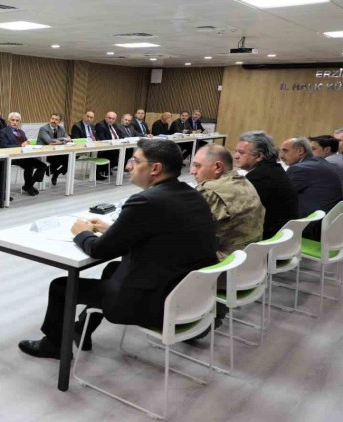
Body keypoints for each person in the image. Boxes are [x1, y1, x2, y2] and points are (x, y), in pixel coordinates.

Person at [18, 139, 217, 358]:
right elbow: (159, 234)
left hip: (155, 301)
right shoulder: (193, 195)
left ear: (155, 168)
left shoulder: (145, 201)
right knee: (112, 269)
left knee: (61, 287)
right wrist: (113, 229)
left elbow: (98, 250)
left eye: (135, 161)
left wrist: (81, 233)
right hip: (188, 295)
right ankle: (81, 330)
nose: (129, 167)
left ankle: (53, 346)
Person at [191, 145, 265, 260]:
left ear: (218, 167)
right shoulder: (244, 182)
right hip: (253, 258)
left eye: (197, 166)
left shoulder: (209, 191)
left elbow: (189, 231)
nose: (192, 171)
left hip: (225, 262)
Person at [233, 131, 298, 239]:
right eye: (236, 151)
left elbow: (236, 211)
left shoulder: (259, 178)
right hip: (283, 234)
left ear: (259, 156)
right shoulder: (275, 170)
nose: (235, 156)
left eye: (241, 152)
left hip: (269, 238)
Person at [280, 137, 343, 240]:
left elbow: (280, 196)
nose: (281, 156)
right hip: (327, 225)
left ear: (300, 151)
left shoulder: (300, 169)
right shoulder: (320, 163)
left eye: (285, 151)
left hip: (309, 228)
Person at [0, 112, 47, 196]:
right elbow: (3, 146)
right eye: (13, 120)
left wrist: (29, 145)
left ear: (20, 122)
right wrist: (21, 145)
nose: (15, 122)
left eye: (17, 121)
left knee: (43, 166)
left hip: (24, 156)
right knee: (29, 165)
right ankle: (28, 186)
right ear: (9, 121)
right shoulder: (3, 132)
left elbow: (25, 144)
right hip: (12, 157)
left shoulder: (21, 132)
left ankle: (28, 185)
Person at [36, 112, 71, 185]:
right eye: (52, 119)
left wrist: (61, 141)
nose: (53, 121)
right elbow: (49, 141)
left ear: (60, 121)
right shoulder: (43, 129)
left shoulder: (61, 129)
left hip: (56, 153)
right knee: (61, 159)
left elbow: (68, 139)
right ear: (50, 119)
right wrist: (63, 139)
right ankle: (49, 171)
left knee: (70, 158)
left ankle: (56, 173)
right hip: (44, 154)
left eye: (56, 119)